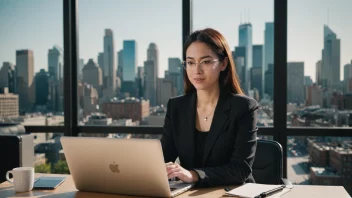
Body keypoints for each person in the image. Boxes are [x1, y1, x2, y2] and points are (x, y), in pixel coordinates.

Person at [160, 28, 259, 188]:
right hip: (190, 193)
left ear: (223, 64)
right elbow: (164, 158)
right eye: (190, 62)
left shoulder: (243, 108)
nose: (197, 70)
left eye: (205, 61)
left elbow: (240, 170)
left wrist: (192, 175)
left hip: (233, 193)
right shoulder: (176, 107)